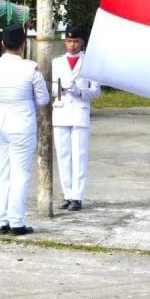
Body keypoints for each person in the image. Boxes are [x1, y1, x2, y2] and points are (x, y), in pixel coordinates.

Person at [0, 24, 50, 236]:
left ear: (2, 44)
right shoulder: (30, 68)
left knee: (1, 173)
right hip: (22, 125)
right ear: (22, 46)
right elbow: (44, 99)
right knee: (20, 174)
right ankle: (17, 222)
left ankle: (1, 221)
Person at [51, 26, 101, 211]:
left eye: (76, 41)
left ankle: (77, 197)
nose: (72, 45)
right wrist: (61, 89)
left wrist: (79, 91)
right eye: (69, 41)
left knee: (79, 155)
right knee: (63, 155)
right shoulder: (56, 62)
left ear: (82, 42)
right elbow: (51, 88)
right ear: (65, 42)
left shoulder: (89, 62)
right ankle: (67, 195)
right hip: (61, 110)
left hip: (80, 111)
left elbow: (96, 91)